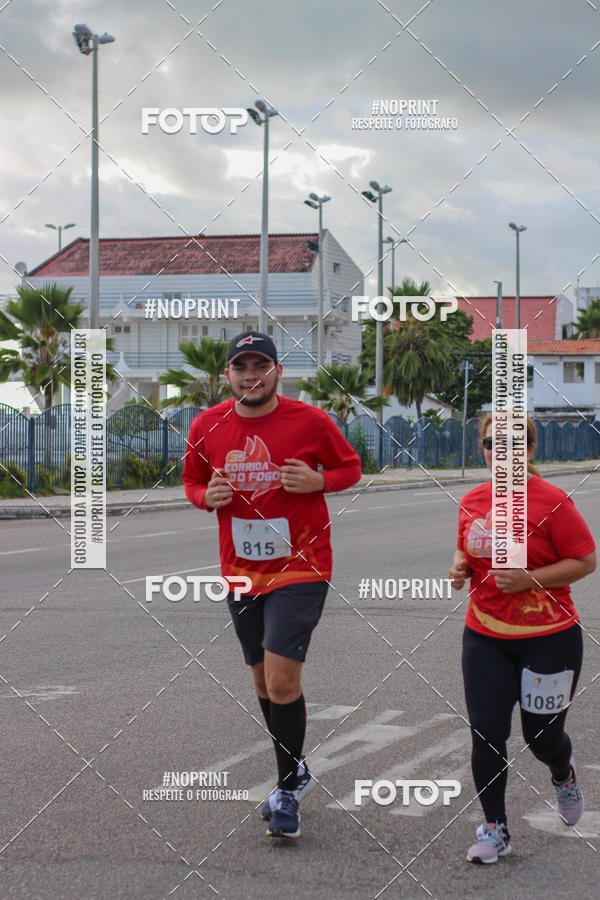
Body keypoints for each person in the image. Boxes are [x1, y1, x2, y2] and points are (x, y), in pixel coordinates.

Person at [182, 331, 362, 838]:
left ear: (278, 372)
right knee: (263, 682)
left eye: (260, 366)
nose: (251, 376)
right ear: (228, 375)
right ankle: (296, 769)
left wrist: (319, 481)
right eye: (241, 367)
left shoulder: (311, 421)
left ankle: (286, 790)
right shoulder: (207, 424)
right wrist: (205, 497)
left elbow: (350, 468)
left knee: (282, 680)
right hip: (241, 572)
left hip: (302, 567)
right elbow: (191, 480)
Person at [449, 414, 596, 864]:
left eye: (512, 445)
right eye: (492, 444)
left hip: (550, 638)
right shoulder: (472, 500)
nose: (501, 454)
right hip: (485, 636)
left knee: (542, 738)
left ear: (529, 451)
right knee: (486, 733)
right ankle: (495, 829)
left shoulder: (552, 501)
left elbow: (585, 560)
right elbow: (466, 547)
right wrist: (459, 566)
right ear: (482, 450)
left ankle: (563, 774)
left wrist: (530, 579)